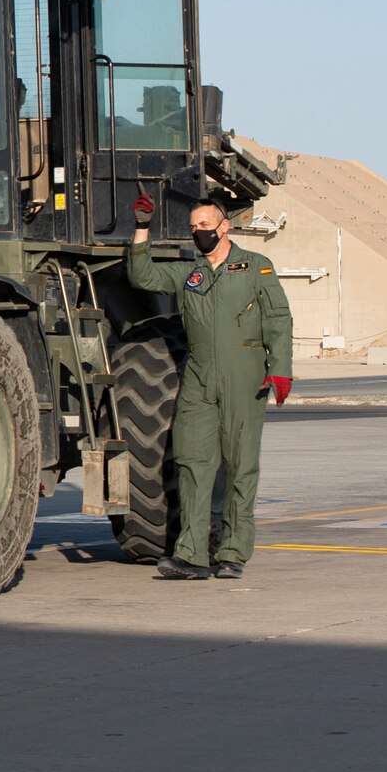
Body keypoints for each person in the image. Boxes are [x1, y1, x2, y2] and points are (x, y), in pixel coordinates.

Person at [125, 195, 292, 580]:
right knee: (193, 463)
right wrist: (142, 228)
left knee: (239, 465)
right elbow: (143, 276)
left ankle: (233, 552)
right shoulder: (190, 273)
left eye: (205, 225)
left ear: (224, 226)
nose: (199, 232)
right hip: (199, 376)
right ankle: (192, 554)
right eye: (194, 227)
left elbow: (278, 318)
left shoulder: (255, 268)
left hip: (244, 374)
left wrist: (280, 369)